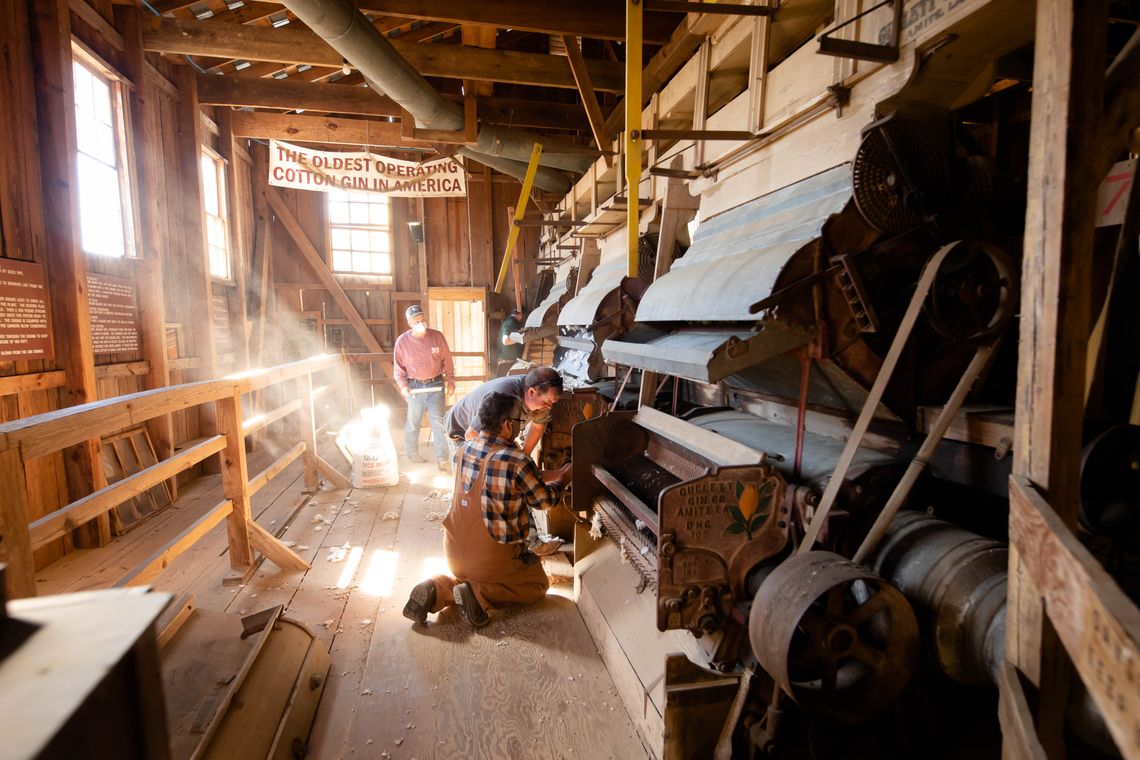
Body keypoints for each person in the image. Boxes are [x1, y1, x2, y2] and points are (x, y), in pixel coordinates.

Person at [403, 392, 572, 628]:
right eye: (519, 425)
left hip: (454, 551)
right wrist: (563, 478)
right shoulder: (516, 459)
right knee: (537, 585)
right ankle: (477, 595)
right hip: (492, 556)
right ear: (506, 425)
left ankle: (436, 587)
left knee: (467, 577)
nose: (520, 430)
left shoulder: (463, 450)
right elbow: (543, 501)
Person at [443, 366, 562, 457]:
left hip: (483, 434)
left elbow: (537, 427)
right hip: (461, 429)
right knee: (473, 474)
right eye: (547, 402)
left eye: (553, 402)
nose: (550, 407)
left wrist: (523, 456)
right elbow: (472, 435)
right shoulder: (502, 398)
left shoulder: (542, 397)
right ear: (531, 392)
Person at [393, 304, 455, 471]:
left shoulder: (437, 337)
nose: (421, 323)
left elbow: (447, 360)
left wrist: (450, 380)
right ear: (409, 323)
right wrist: (403, 386)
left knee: (439, 422)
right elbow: (398, 369)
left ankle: (442, 458)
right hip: (415, 386)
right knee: (413, 422)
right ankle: (412, 453)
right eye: (416, 321)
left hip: (435, 384)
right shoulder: (403, 342)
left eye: (422, 319)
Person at [495, 308, 525, 377]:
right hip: (506, 362)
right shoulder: (511, 322)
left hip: (508, 361)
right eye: (524, 316)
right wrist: (523, 338)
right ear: (520, 315)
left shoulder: (512, 322)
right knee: (503, 386)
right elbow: (506, 340)